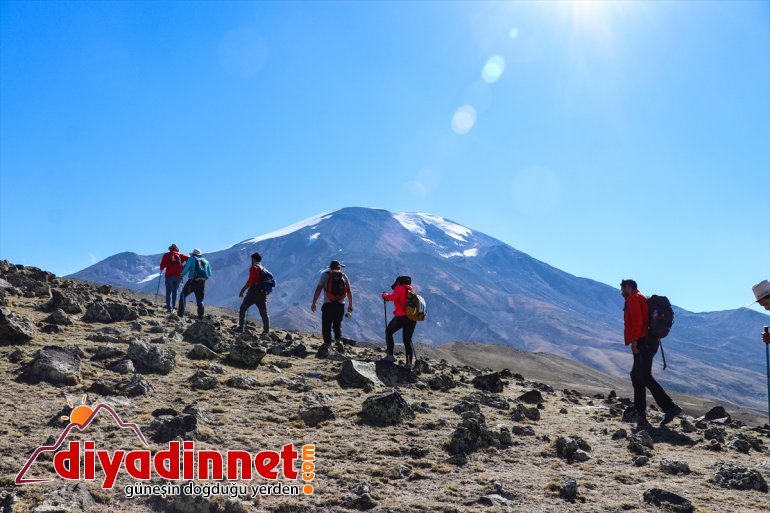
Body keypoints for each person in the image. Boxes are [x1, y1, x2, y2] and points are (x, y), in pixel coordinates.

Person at [621, 279, 682, 430]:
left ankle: (669, 407)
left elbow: (637, 322)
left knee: (643, 376)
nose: (621, 292)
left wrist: (635, 342)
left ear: (628, 287)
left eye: (622, 289)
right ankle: (639, 410)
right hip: (648, 341)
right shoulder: (640, 297)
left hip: (644, 341)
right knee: (636, 375)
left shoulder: (634, 298)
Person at [311, 260, 353, 353]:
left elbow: (319, 288)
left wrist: (314, 302)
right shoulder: (343, 276)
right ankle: (338, 341)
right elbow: (349, 291)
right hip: (340, 305)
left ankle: (327, 344)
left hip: (328, 304)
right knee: (337, 325)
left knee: (326, 325)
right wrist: (350, 304)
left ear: (330, 267)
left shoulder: (325, 275)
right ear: (339, 267)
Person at [381, 276, 417, 369]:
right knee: (407, 340)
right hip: (412, 318)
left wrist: (384, 295)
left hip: (401, 317)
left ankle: (390, 356)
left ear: (399, 282)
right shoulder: (411, 290)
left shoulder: (399, 288)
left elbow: (392, 298)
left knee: (389, 331)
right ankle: (409, 364)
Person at [238, 252, 270, 334]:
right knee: (264, 312)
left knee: (243, 308)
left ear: (253, 259)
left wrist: (243, 290)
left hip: (253, 293)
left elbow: (250, 281)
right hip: (263, 294)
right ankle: (266, 331)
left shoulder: (254, 268)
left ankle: (241, 328)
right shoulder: (264, 269)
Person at [178, 249, 211, 320]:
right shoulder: (206, 261)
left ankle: (180, 314)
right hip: (202, 283)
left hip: (192, 281)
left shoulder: (192, 259)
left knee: (183, 295)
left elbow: (186, 268)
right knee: (200, 300)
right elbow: (209, 274)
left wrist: (181, 275)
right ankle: (200, 317)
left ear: (193, 254)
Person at [159, 244, 189, 314]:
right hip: (178, 276)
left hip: (169, 275)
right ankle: (173, 307)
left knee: (168, 292)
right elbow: (189, 259)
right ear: (176, 249)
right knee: (175, 291)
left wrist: (161, 268)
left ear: (170, 249)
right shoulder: (180, 255)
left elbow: (162, 265)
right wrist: (183, 267)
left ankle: (169, 309)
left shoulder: (166, 255)